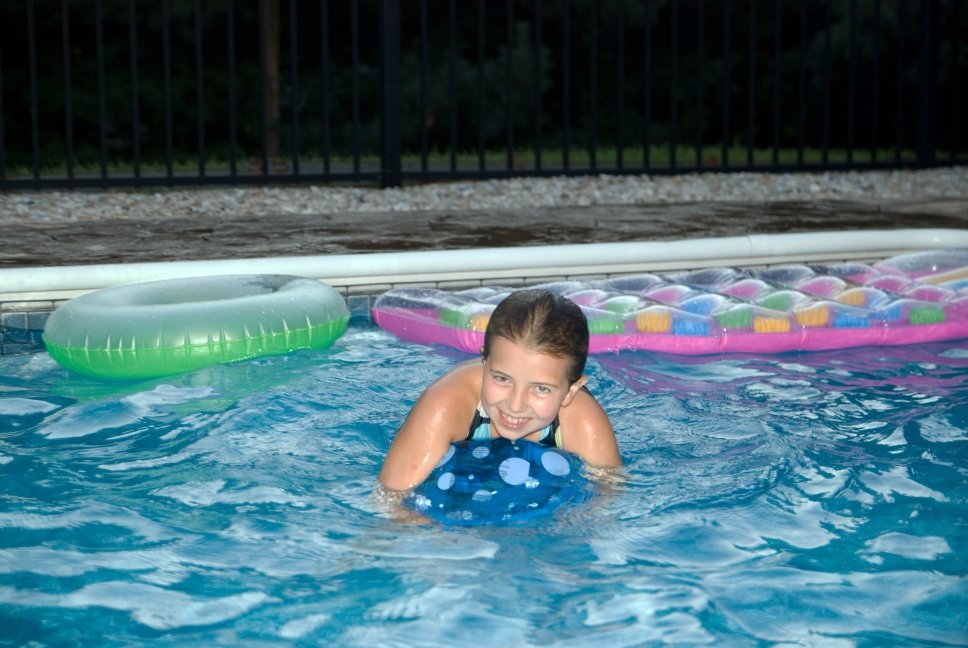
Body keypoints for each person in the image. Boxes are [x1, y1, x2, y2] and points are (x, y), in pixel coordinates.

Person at [379, 288, 621, 491]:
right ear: (485, 363)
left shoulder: (583, 422)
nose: (515, 405)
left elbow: (607, 501)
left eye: (541, 389)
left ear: (570, 391)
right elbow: (392, 498)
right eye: (502, 379)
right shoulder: (446, 404)